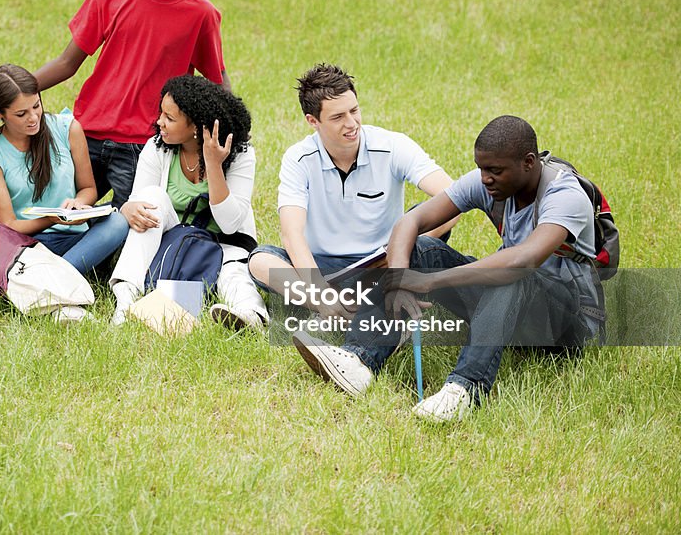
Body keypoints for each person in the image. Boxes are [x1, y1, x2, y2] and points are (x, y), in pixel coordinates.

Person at [293, 116, 603, 422]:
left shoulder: (565, 195)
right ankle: (359, 360)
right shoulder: (490, 181)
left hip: (566, 327)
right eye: (481, 169)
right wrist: (399, 279)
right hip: (513, 308)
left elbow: (524, 260)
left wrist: (431, 281)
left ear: (528, 162)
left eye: (494, 171)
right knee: (423, 249)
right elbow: (410, 222)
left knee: (511, 273)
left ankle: (464, 389)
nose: (485, 179)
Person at [0, 0, 230, 210]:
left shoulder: (200, 14)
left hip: (141, 144)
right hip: (86, 133)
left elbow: (217, 80)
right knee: (61, 214)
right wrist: (6, 96)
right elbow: (68, 62)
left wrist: (232, 135)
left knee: (125, 229)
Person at [248, 64, 456, 308]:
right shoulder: (298, 158)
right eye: (337, 117)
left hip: (385, 262)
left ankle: (356, 302)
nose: (352, 123)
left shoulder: (393, 145)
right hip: (325, 267)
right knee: (260, 261)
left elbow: (453, 198)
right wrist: (320, 291)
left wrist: (399, 252)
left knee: (429, 212)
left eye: (354, 110)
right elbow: (292, 235)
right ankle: (330, 307)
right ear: (312, 120)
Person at [109, 75, 267, 329]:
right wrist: (129, 208)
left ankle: (250, 316)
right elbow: (137, 202)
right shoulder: (158, 148)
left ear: (196, 126)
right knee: (150, 199)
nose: (159, 122)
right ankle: (125, 300)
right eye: (161, 113)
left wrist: (214, 164)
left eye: (170, 118)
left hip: (223, 242)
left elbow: (229, 224)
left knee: (233, 274)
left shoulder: (240, 154)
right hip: (173, 240)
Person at [0, 63, 129, 283]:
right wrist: (52, 220)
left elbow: (88, 189)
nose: (33, 117)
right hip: (26, 244)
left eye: (36, 106)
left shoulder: (67, 128)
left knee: (118, 222)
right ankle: (63, 279)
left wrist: (77, 204)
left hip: (76, 239)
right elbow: (9, 225)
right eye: (21, 114)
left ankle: (46, 281)